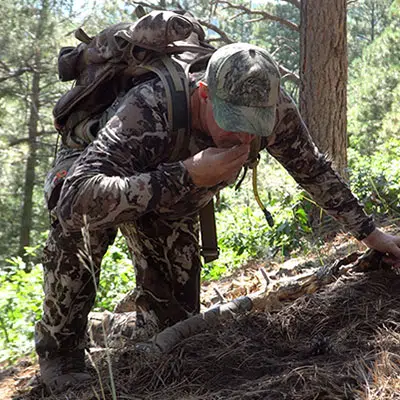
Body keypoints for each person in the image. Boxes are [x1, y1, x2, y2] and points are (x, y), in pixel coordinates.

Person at [35, 42, 400, 392]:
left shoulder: (273, 107)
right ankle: (60, 351)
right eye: (232, 121)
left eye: (253, 125)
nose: (242, 135)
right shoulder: (148, 109)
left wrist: (370, 234)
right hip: (101, 179)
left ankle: (108, 328)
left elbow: (313, 170)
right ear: (204, 93)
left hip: (170, 199)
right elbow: (75, 200)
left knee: (174, 331)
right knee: (81, 231)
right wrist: (185, 176)